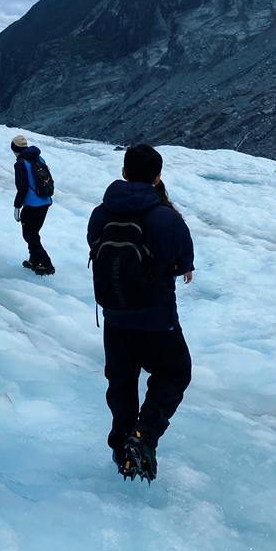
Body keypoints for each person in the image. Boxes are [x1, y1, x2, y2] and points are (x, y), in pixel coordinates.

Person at [87, 143, 194, 483]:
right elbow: (182, 263)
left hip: (115, 318)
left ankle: (122, 448)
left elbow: (95, 248)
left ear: (124, 172)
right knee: (174, 372)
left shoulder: (101, 213)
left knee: (121, 381)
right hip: (156, 319)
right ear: (158, 177)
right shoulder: (166, 218)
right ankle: (143, 436)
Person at [11, 134, 55, 275]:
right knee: (34, 232)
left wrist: (17, 206)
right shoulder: (38, 157)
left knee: (29, 235)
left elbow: (22, 188)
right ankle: (34, 260)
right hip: (45, 201)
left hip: (32, 205)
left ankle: (47, 264)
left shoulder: (20, 164)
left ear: (14, 149)